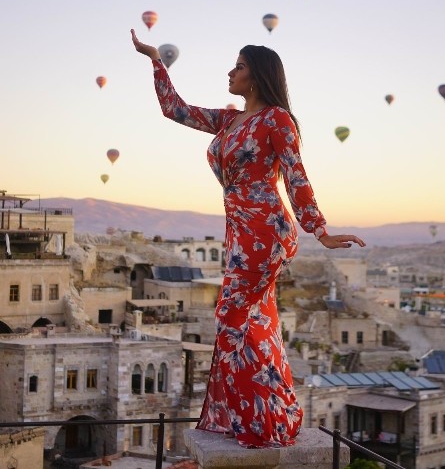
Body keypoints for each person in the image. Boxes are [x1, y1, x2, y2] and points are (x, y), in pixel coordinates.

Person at [131, 29, 365, 448]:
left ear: (255, 76)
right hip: (239, 231)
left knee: (233, 317)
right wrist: (155, 61)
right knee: (255, 321)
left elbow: (295, 172)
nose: (230, 72)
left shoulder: (276, 120)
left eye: (238, 66)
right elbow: (175, 110)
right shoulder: (229, 119)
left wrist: (320, 231)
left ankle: (259, 421)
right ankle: (267, 415)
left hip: (265, 231)